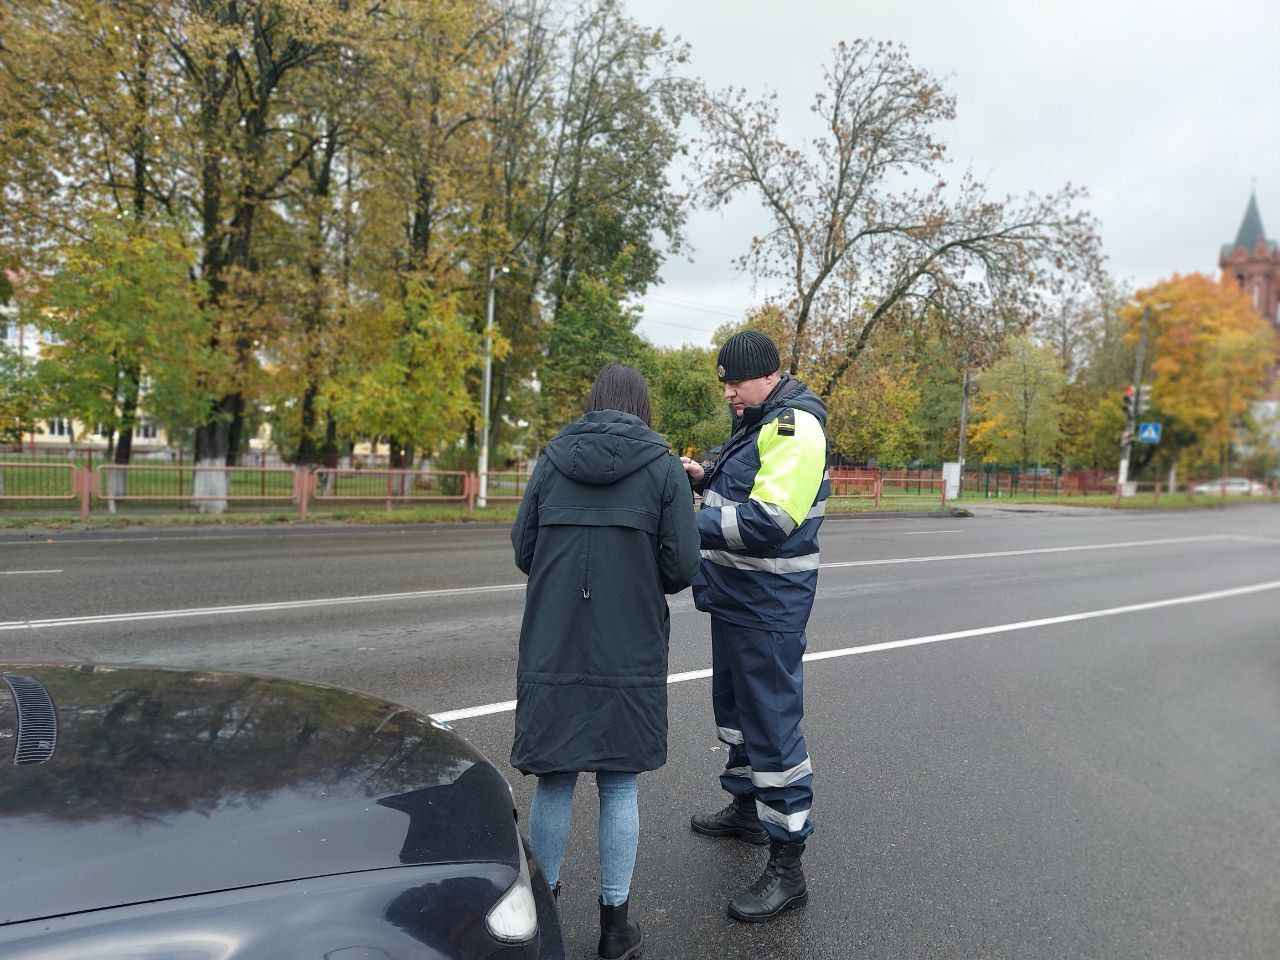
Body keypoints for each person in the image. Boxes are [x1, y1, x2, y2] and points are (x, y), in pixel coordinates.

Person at [511, 363, 701, 960]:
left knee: (556, 777)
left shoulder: (553, 459)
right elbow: (682, 569)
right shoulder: (664, 467)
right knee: (619, 782)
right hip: (630, 644)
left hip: (554, 641)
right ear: (642, 407)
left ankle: (542, 918)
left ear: (592, 403)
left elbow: (524, 550)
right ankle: (615, 929)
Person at [680, 330, 829, 923]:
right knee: (737, 714)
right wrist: (703, 474)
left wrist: (691, 522)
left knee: (772, 728)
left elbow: (769, 520)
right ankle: (746, 811)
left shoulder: (795, 426)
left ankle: (788, 867)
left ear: (765, 375)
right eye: (724, 383)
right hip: (738, 599)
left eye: (734, 382)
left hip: (768, 604)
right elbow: (738, 475)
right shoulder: (760, 422)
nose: (728, 393)